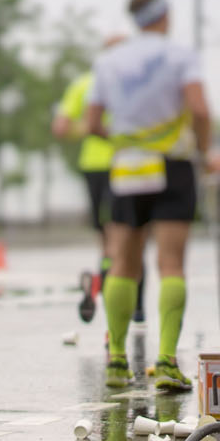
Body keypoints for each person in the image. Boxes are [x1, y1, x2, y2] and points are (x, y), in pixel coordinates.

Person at [86, 0, 217, 392]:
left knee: (123, 261)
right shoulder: (180, 56)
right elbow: (198, 109)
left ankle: (117, 361)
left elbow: (92, 122)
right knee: (171, 263)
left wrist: (127, 143)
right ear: (164, 15)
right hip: (173, 166)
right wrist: (205, 148)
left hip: (127, 167)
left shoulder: (108, 60)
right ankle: (164, 362)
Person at [52, 34, 137, 326]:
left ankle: (100, 281)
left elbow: (61, 128)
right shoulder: (133, 83)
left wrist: (88, 128)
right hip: (126, 163)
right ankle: (130, 305)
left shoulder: (83, 83)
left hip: (93, 165)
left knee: (105, 238)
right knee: (127, 238)